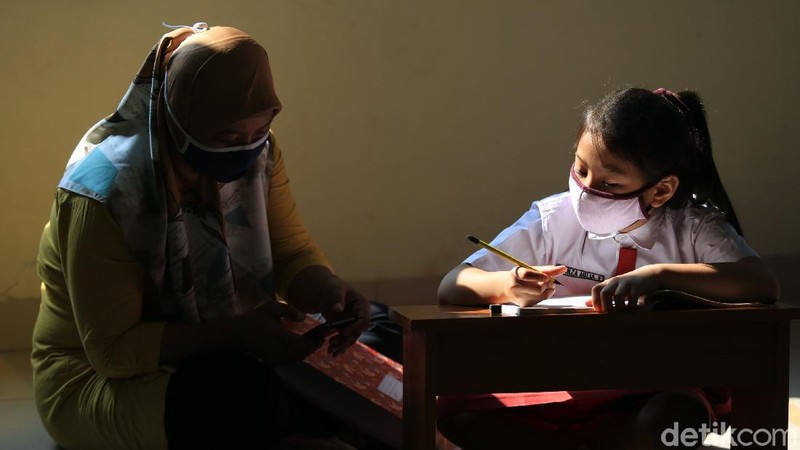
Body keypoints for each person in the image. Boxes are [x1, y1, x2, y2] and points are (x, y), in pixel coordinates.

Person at [32, 23, 370, 450]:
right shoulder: (106, 190)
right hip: (96, 381)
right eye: (226, 137)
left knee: (379, 340)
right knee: (236, 396)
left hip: (227, 349)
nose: (243, 151)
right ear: (178, 116)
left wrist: (328, 292)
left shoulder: (261, 156)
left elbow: (290, 251)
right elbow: (113, 352)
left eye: (256, 134)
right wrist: (238, 334)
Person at [437, 87, 780, 449]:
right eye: (580, 169)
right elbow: (452, 285)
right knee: (461, 415)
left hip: (646, 389)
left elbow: (761, 284)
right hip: (551, 386)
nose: (585, 190)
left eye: (609, 183)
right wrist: (508, 284)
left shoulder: (691, 227)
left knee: (676, 416)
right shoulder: (553, 219)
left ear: (660, 191)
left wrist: (658, 276)